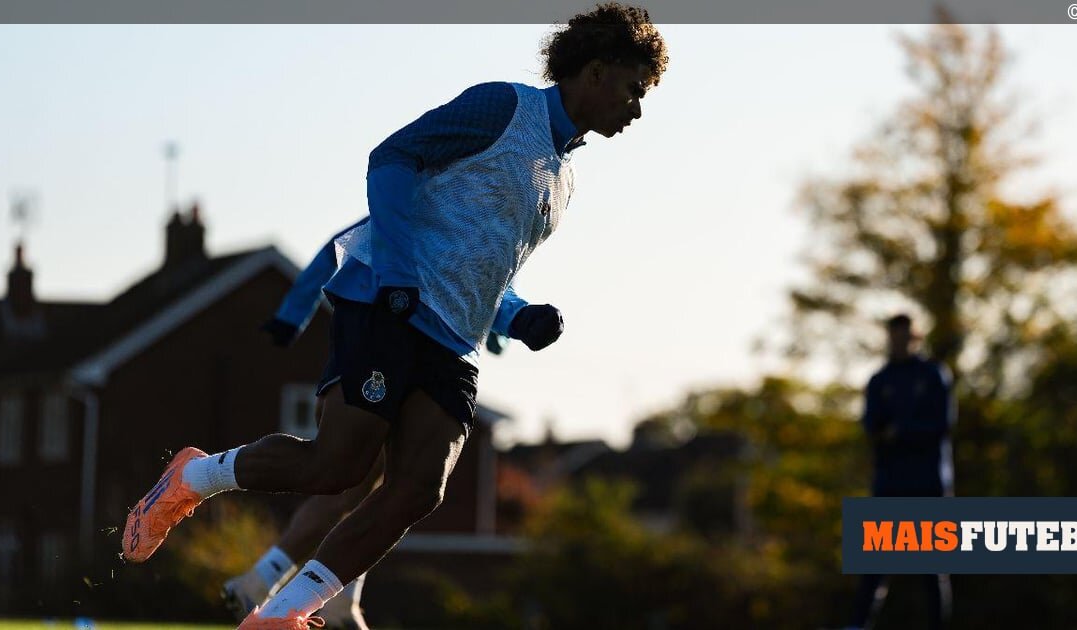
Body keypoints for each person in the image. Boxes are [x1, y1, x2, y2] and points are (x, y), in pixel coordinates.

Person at [121, 5, 669, 629]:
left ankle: (280, 616)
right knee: (337, 467)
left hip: (454, 342)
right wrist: (399, 273)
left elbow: (486, 270)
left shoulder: (563, 182)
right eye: (633, 89)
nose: (637, 110)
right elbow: (391, 157)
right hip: (389, 305)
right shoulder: (503, 107)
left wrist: (518, 318)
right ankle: (193, 477)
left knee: (419, 490)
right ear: (595, 71)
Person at [224, 222, 511, 629]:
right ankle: (273, 583)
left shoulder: (483, 224)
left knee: (372, 488)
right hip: (381, 355)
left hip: (417, 363)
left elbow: (492, 288)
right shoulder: (417, 207)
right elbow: (336, 249)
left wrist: (500, 325)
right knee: (356, 480)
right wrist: (292, 312)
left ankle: (307, 589)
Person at [849, 314, 955, 630]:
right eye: (894, 337)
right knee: (875, 563)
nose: (899, 343)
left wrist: (903, 431)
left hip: (927, 484)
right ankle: (858, 625)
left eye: (905, 337)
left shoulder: (933, 375)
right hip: (889, 484)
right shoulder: (880, 380)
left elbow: (941, 425)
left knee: (931, 568)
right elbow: (872, 426)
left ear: (914, 338)